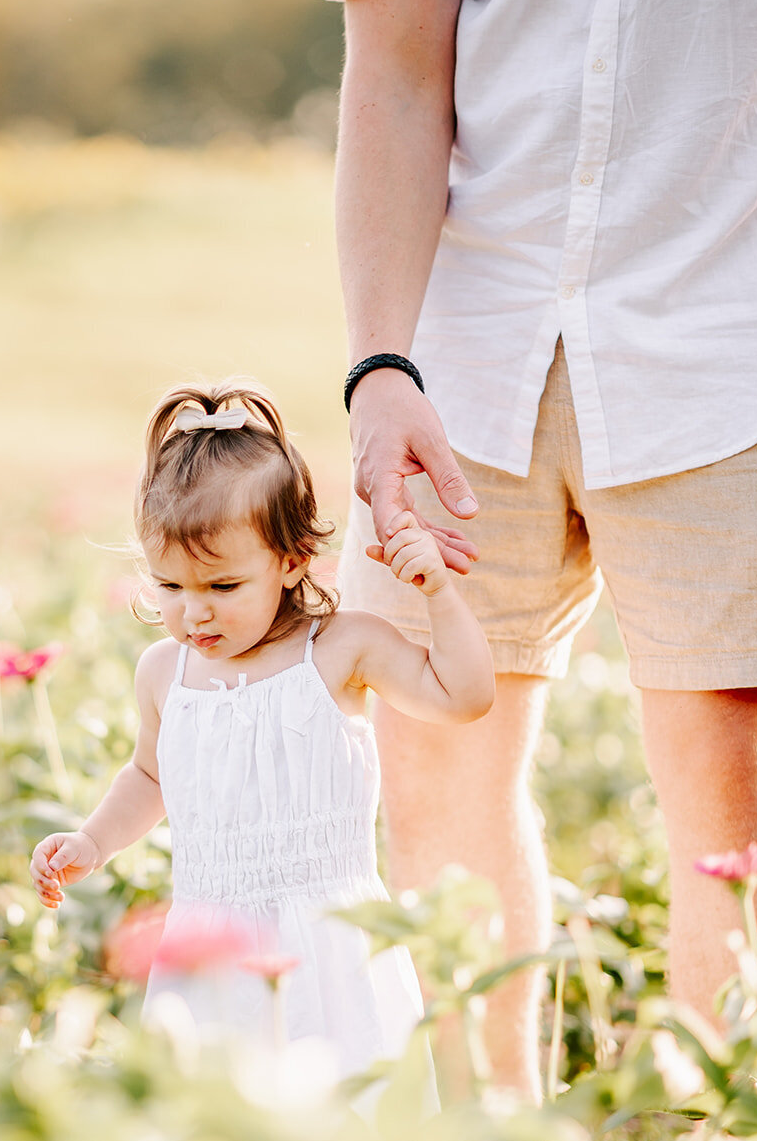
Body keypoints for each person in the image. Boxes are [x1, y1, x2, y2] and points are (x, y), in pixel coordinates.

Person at [308, 0, 757, 1100]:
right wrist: (380, 367)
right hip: (460, 342)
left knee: (737, 817)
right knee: (431, 775)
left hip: (728, 333)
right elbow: (399, 77)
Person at [29, 381, 494, 1077]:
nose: (194, 615)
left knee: (347, 1106)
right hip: (211, 946)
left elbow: (464, 696)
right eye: (170, 587)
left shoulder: (339, 650)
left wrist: (438, 592)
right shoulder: (165, 673)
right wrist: (93, 841)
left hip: (330, 945)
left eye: (221, 588)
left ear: (291, 559)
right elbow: (152, 777)